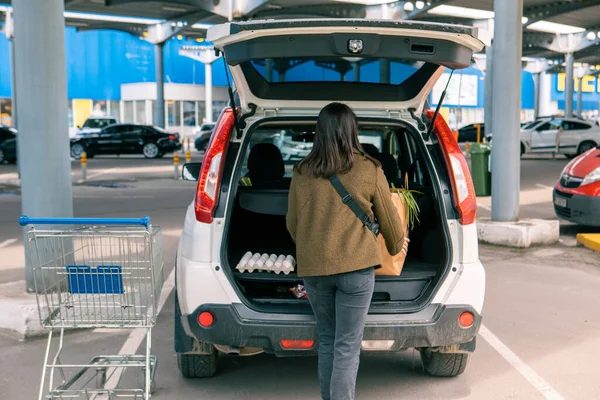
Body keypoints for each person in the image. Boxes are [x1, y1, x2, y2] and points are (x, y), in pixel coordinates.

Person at [286, 102, 408, 400]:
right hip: (356, 270)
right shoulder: (369, 168)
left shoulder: (302, 171)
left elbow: (292, 224)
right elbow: (391, 224)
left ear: (320, 133)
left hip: (314, 270)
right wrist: (396, 245)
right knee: (347, 344)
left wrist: (313, 246)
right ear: (352, 131)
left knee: (328, 339)